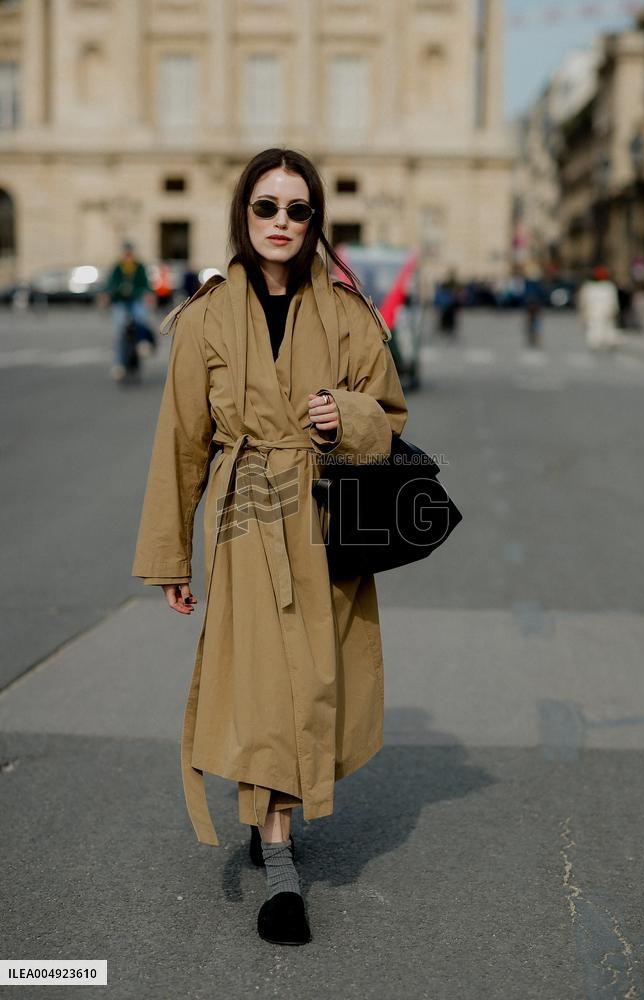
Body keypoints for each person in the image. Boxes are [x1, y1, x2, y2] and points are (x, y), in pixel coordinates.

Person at [130, 148, 409, 946]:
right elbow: (181, 440)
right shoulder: (206, 316)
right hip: (246, 514)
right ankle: (281, 861)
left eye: (296, 209)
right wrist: (170, 557)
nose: (280, 222)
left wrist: (346, 416)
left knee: (311, 677)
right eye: (265, 206)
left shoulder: (349, 314)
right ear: (242, 214)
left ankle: (269, 810)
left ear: (314, 220)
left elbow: (390, 415)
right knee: (263, 680)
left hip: (323, 516)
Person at [104, 241, 156, 380]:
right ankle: (119, 364)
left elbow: (146, 284)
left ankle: (143, 342)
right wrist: (108, 294)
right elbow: (110, 284)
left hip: (136, 300)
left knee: (141, 317)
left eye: (130, 253)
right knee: (120, 328)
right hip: (120, 301)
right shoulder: (117, 268)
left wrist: (147, 294)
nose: (128, 256)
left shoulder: (139, 267)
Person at [577, 265, 620, 352]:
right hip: (594, 313)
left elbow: (613, 301)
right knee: (595, 328)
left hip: (604, 312)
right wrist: (584, 312)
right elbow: (584, 301)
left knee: (607, 328)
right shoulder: (590, 287)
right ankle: (596, 343)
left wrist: (614, 310)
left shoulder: (608, 286)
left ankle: (607, 342)